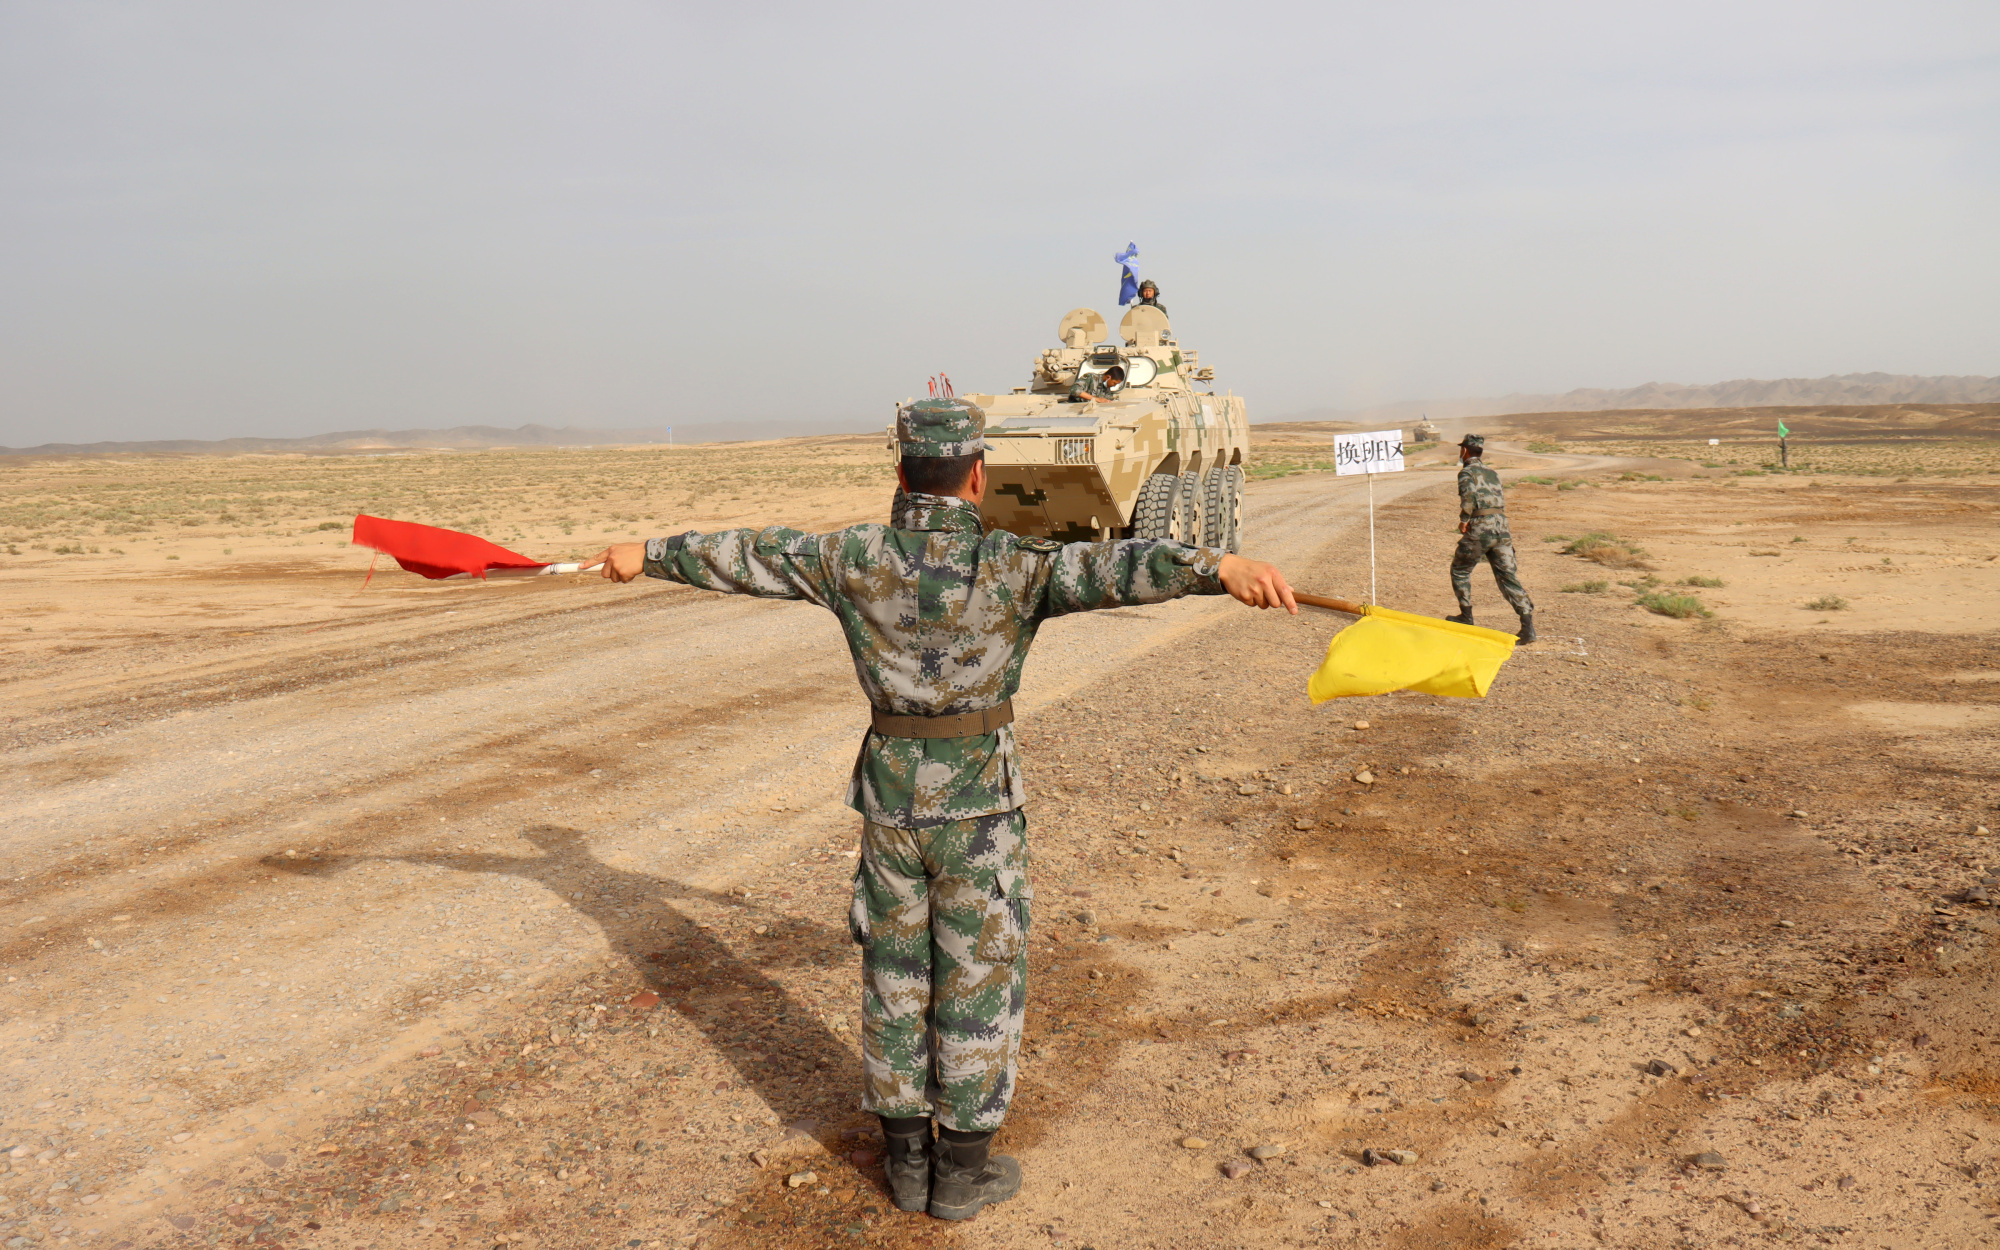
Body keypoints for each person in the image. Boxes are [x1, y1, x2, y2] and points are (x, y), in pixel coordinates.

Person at [590, 399, 1297, 1221]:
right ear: (977, 474)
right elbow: (1118, 567)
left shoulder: (849, 555)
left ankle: (905, 1165)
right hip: (979, 808)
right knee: (976, 973)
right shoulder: (1015, 561)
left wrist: (646, 553)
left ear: (900, 474)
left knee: (895, 975)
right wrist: (1217, 566)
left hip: (891, 805)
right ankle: (960, 1173)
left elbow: (748, 552)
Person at [1447, 433, 1536, 641]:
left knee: (1460, 570)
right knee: (1507, 576)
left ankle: (1466, 616)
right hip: (1502, 528)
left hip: (1480, 527)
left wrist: (1464, 519)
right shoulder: (1494, 473)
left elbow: (1468, 497)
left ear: (1465, 451)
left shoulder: (1466, 473)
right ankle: (1527, 626)